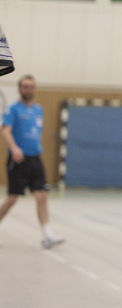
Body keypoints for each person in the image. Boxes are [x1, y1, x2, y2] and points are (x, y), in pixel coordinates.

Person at [0, 75, 64, 249]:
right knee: (12, 199)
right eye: (25, 87)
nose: (29, 90)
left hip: (35, 158)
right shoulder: (13, 109)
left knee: (42, 195)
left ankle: (47, 235)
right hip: (18, 159)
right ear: (19, 89)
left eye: (31, 87)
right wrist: (14, 148)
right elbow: (6, 130)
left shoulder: (38, 110)